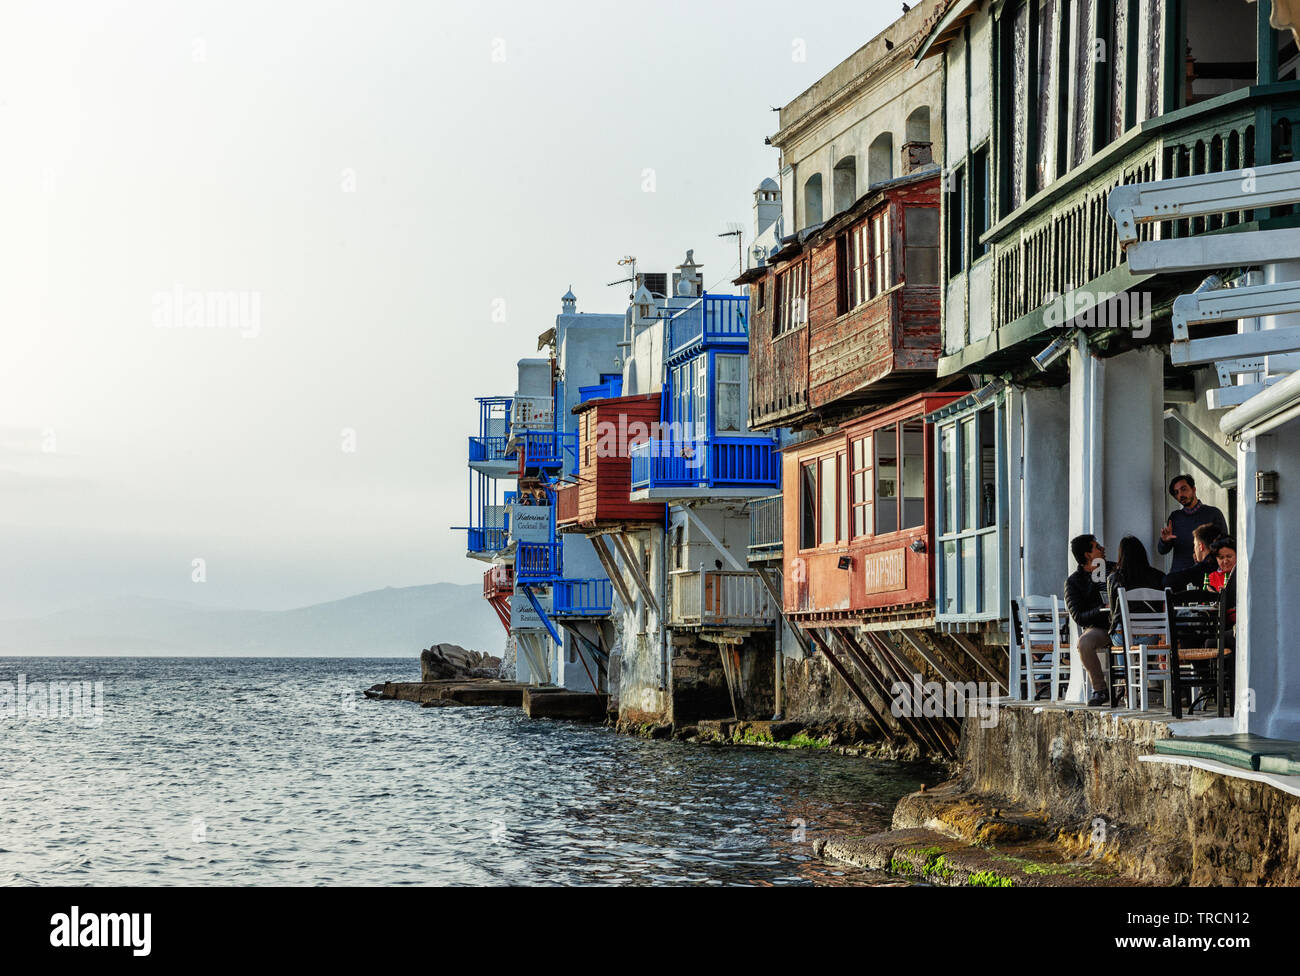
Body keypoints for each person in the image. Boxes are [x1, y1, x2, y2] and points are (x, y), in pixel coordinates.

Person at [1065, 534, 1116, 707]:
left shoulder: (1115, 569)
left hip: (1125, 625)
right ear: (1088, 555)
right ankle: (1100, 689)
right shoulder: (1074, 582)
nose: (1103, 549)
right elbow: (1079, 616)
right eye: (1097, 546)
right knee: (1084, 643)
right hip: (1101, 628)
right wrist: (1103, 609)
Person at [1158, 474, 1228, 573]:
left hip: (1207, 575)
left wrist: (1205, 557)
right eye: (1176, 492)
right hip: (1180, 575)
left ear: (1193, 489)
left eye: (1183, 489)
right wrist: (1164, 541)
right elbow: (1162, 551)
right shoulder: (1175, 517)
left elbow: (1224, 545)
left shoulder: (1213, 514)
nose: (1180, 495)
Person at [1107, 536, 1166, 636]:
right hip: (1151, 635)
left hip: (1123, 636)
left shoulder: (1114, 578)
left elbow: (1113, 614)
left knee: (1120, 647)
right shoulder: (1159, 576)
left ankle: (1123, 652)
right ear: (1142, 554)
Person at [1163, 522, 1221, 591]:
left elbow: (1168, 581)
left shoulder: (1206, 566)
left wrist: (1198, 565)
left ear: (1200, 546)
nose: (1194, 550)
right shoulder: (1223, 564)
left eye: (1195, 545)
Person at [1208, 536, 1238, 626]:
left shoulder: (1243, 575)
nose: (1225, 561)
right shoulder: (1211, 577)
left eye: (1229, 556)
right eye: (1221, 558)